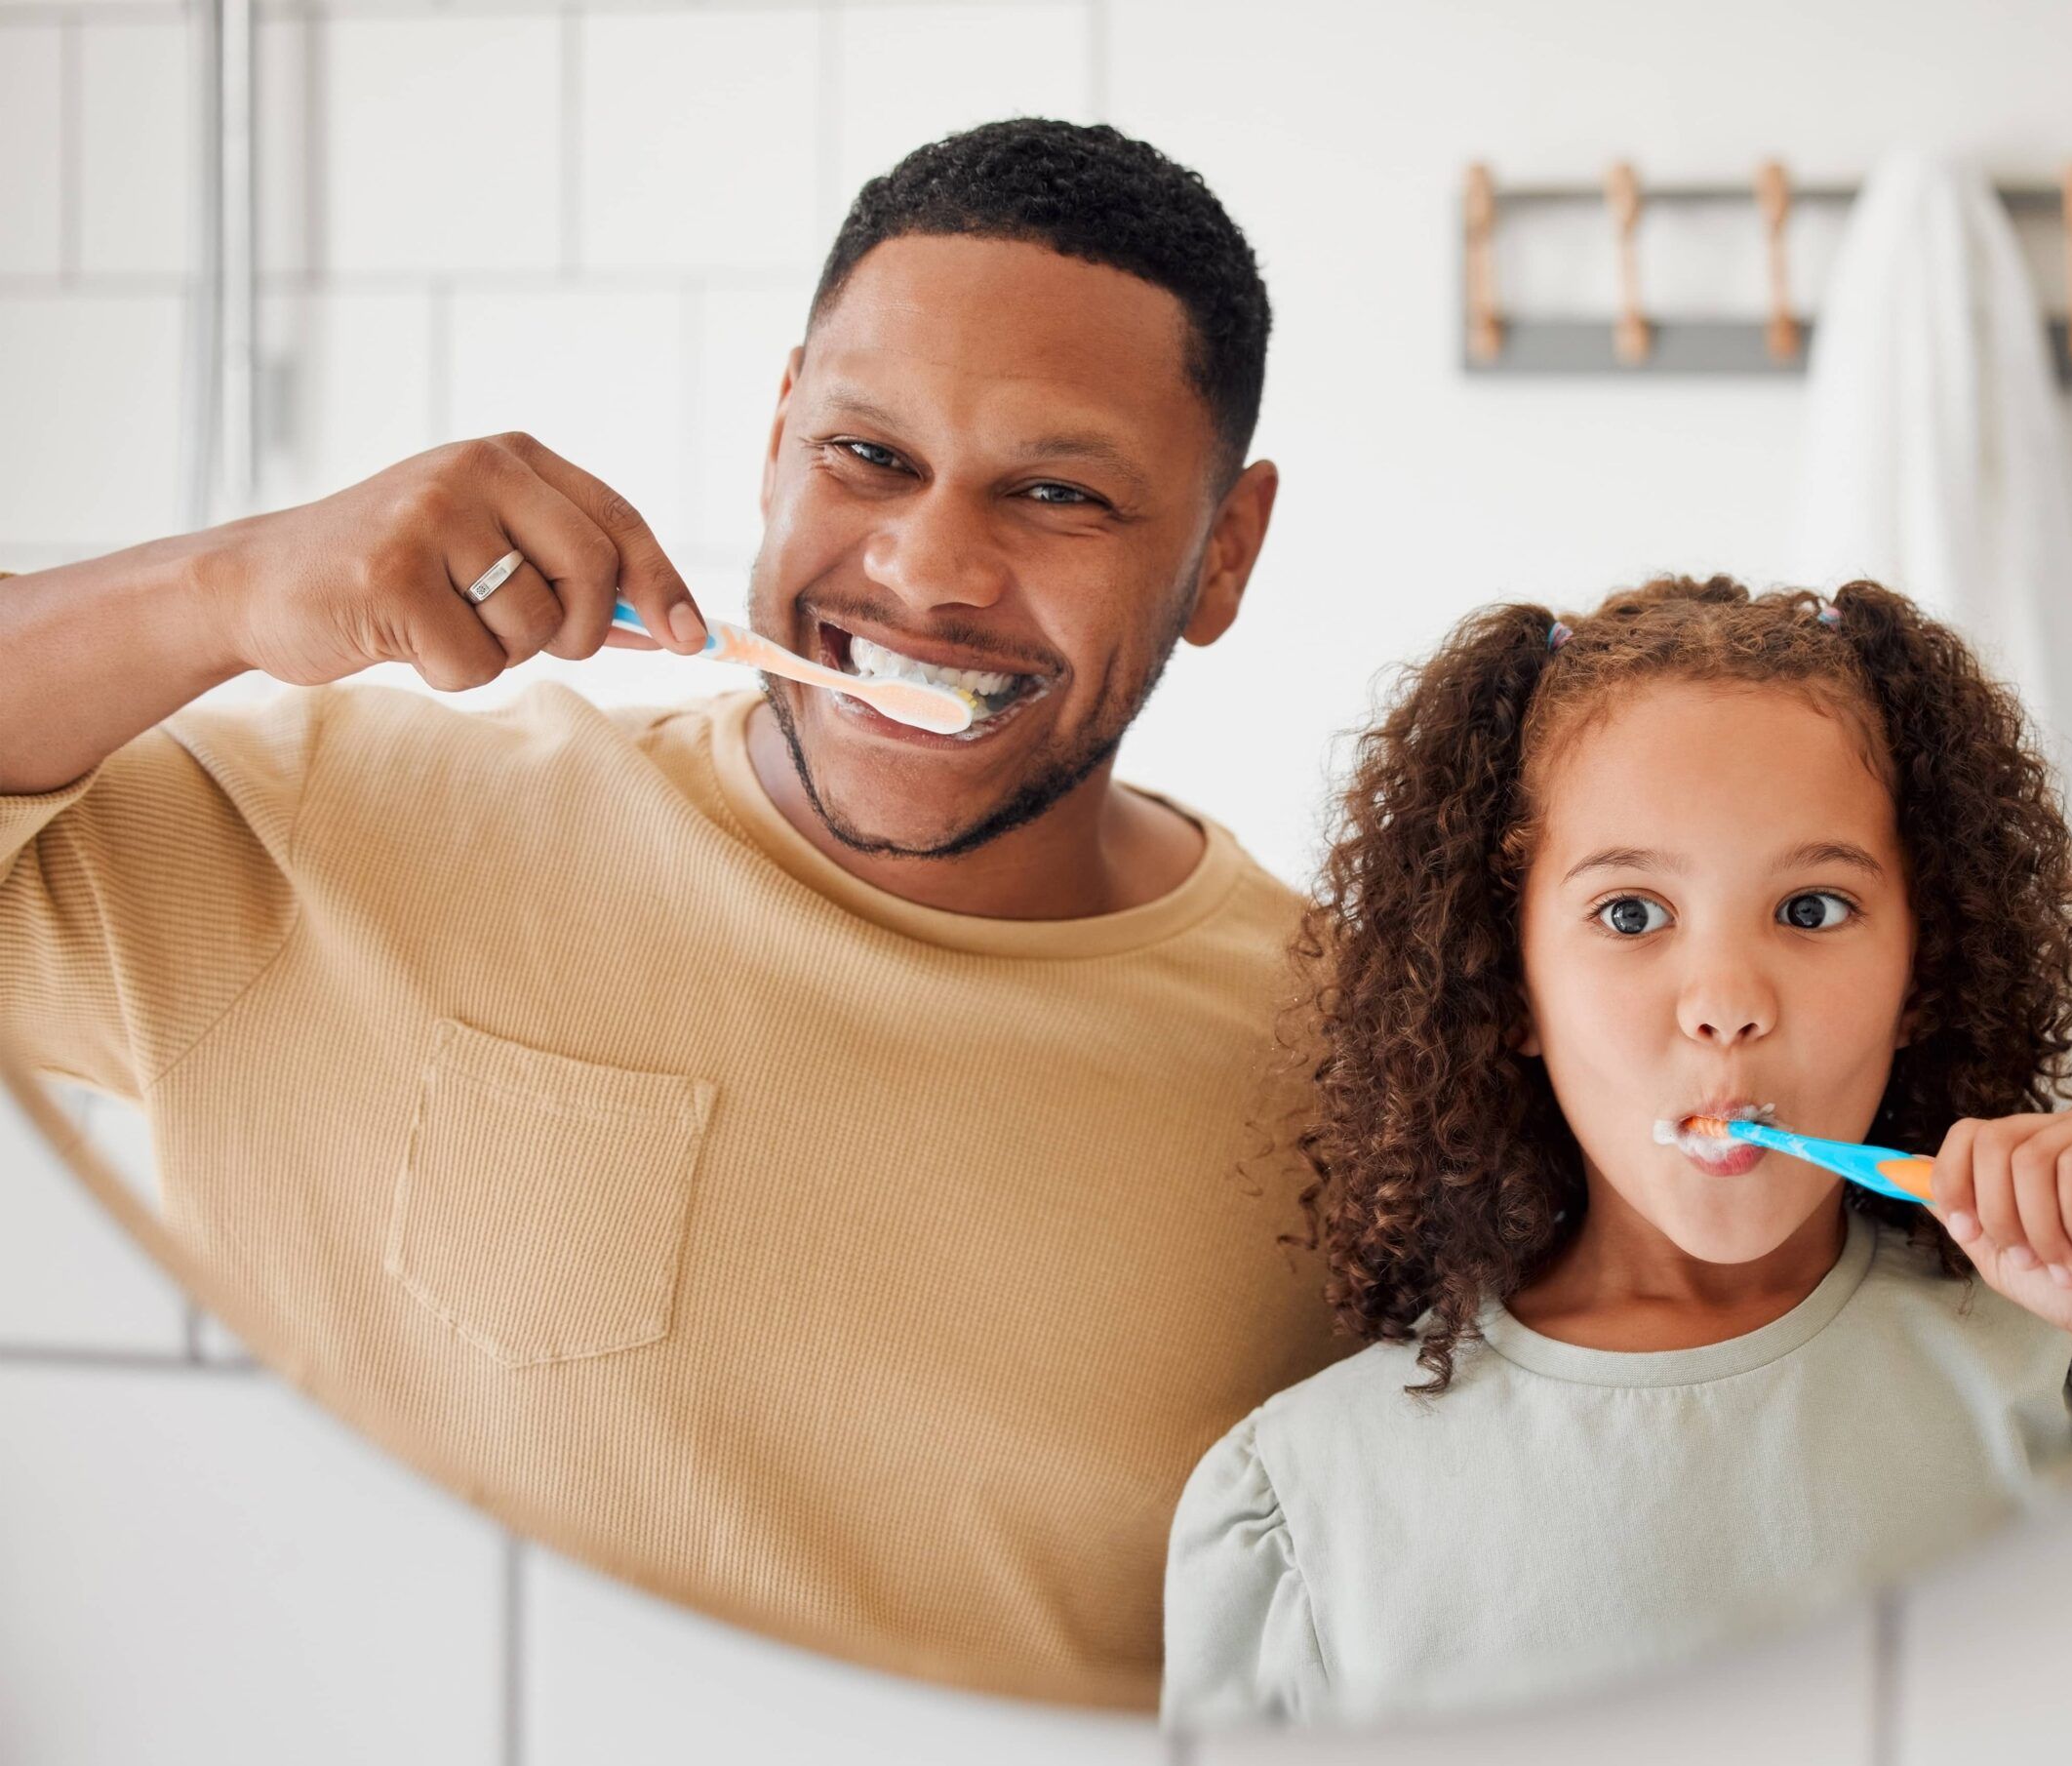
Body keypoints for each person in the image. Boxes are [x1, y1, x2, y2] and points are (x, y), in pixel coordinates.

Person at [0, 120, 1345, 1712]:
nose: (928, 570)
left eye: (1057, 492)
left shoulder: (1365, 1059)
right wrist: (213, 592)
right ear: (780, 431)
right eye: (869, 456)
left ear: (1226, 553)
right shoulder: (333, 836)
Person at [1162, 575, 2072, 1726]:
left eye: (1810, 910)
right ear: (1509, 983)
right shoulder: (1307, 1509)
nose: (1726, 1003)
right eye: (1632, 914)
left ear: (1922, 968)